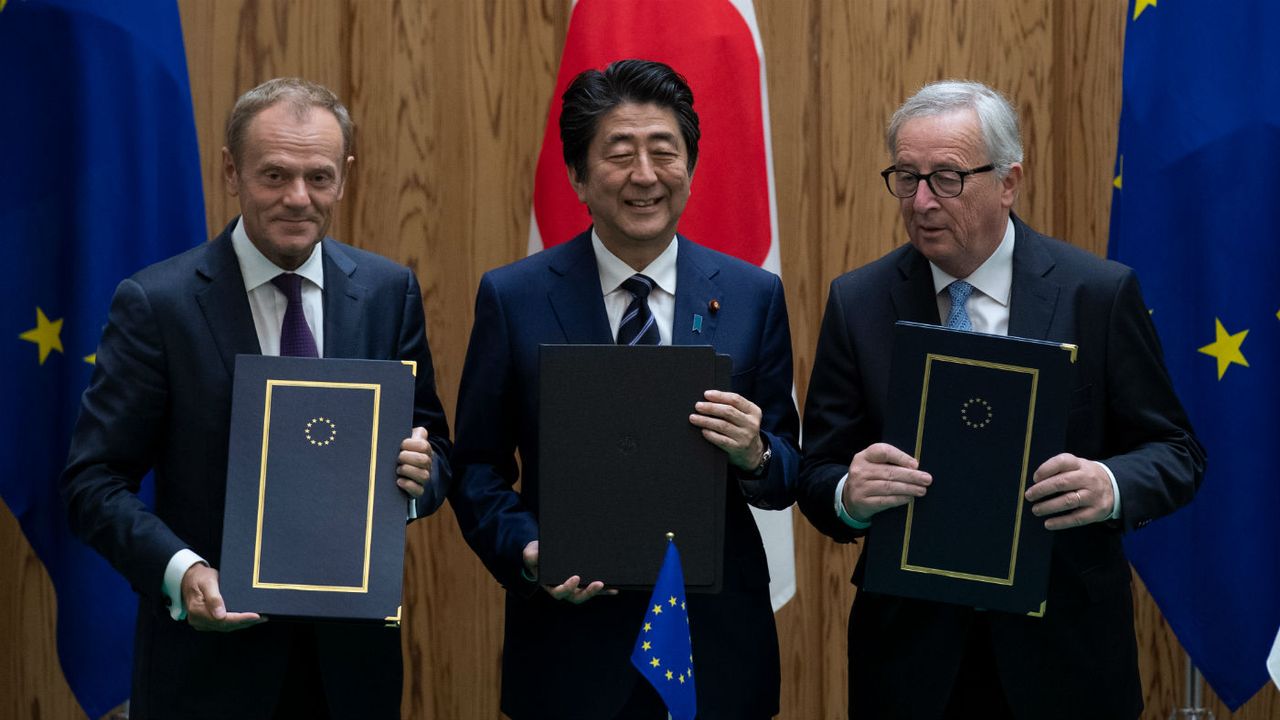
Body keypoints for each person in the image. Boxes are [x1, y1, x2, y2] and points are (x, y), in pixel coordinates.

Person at [797, 80, 1205, 719]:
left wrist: (1109, 483)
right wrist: (849, 495)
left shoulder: (1095, 293)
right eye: (906, 178)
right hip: (913, 662)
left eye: (947, 178)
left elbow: (1177, 453)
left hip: (1065, 654)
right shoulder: (859, 301)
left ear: (1009, 181)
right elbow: (817, 472)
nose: (923, 201)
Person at [60, 77, 451, 719]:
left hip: (351, 675)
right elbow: (92, 482)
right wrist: (181, 573)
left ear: (345, 177)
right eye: (274, 175)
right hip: (207, 670)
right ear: (231, 171)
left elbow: (434, 447)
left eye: (319, 177)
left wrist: (420, 479)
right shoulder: (158, 305)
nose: (298, 198)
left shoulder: (388, 292)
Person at [448, 59, 799, 719]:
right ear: (578, 177)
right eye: (619, 154)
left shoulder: (753, 297)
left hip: (717, 643)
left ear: (690, 168)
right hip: (569, 647)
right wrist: (528, 548)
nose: (645, 175)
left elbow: (787, 468)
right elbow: (475, 469)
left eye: (664, 152)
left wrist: (755, 453)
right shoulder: (515, 297)